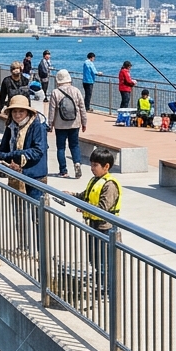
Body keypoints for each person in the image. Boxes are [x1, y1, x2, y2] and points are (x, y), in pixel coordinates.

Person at [72, 146, 122, 284]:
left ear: (106, 167)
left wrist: (84, 209)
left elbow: (103, 208)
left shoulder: (110, 185)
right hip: (93, 225)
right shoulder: (95, 180)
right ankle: (99, 278)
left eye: (95, 165)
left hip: (105, 228)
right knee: (94, 257)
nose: (92, 168)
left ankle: (106, 285)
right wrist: (72, 195)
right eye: (91, 164)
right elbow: (85, 195)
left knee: (103, 259)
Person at [0, 95, 50, 200]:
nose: (17, 115)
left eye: (21, 111)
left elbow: (38, 151)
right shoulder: (11, 126)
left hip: (34, 177)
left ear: (28, 112)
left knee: (36, 213)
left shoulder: (38, 126)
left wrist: (9, 155)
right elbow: (3, 149)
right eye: (14, 111)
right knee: (19, 213)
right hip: (15, 175)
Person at [48, 70, 88, 179]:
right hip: (75, 123)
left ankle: (63, 171)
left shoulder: (55, 92)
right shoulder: (76, 91)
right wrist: (84, 122)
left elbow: (52, 110)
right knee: (74, 145)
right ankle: (77, 163)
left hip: (60, 125)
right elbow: (82, 108)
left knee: (61, 148)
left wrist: (50, 124)